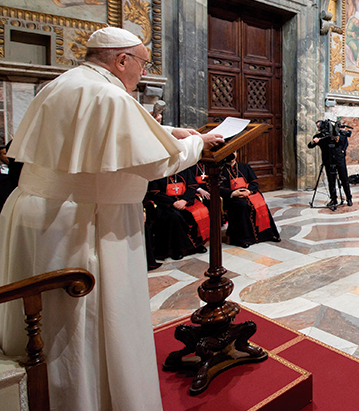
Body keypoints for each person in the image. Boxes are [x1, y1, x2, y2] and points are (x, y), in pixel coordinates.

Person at [0, 27, 223, 411]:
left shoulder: (65, 84)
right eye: (142, 63)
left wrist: (168, 131)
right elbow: (156, 160)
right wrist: (196, 144)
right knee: (80, 326)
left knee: (44, 319)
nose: (142, 72)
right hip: (82, 223)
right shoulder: (107, 93)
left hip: (39, 213)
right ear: (122, 60)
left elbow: (100, 131)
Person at [147, 166, 209, 259]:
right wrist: (173, 203)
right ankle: (177, 249)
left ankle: (196, 245)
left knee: (201, 212)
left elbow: (192, 186)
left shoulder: (185, 169)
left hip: (185, 201)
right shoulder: (158, 172)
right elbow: (155, 192)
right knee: (175, 217)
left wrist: (185, 200)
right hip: (166, 204)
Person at [220, 152, 280, 247]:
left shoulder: (245, 167)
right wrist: (233, 193)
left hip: (249, 193)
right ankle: (244, 239)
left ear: (237, 154)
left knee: (260, 204)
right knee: (243, 205)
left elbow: (254, 182)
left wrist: (249, 191)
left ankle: (267, 235)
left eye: (234, 152)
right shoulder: (220, 170)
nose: (232, 155)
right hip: (232, 196)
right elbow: (219, 188)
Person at [308, 120, 353, 209]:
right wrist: (314, 142)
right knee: (331, 181)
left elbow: (344, 142)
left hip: (339, 160)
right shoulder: (320, 137)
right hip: (328, 161)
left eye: (319, 126)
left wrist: (342, 149)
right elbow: (310, 145)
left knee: (344, 180)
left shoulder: (338, 134)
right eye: (318, 126)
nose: (318, 128)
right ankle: (333, 199)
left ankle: (349, 198)